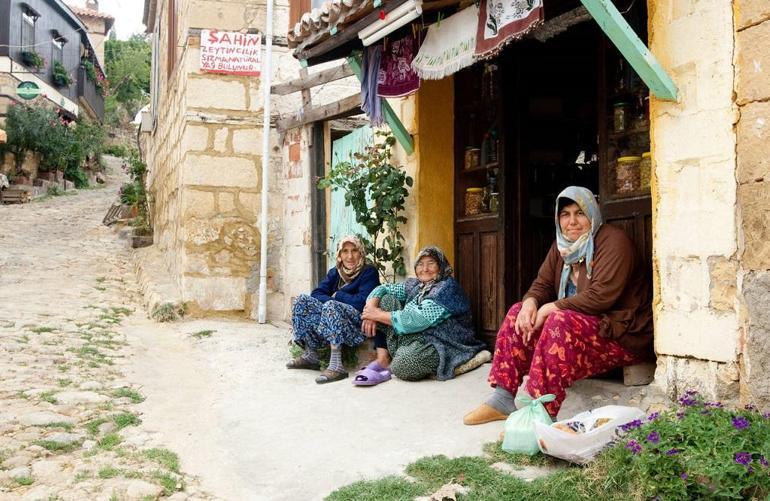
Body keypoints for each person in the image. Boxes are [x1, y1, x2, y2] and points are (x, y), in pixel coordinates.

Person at [463, 186, 653, 424]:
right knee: (517, 313)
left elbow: (601, 296)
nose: (572, 221)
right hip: (585, 333)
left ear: (592, 214)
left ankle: (539, 413)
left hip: (621, 335)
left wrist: (551, 307)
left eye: (579, 213)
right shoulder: (562, 247)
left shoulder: (613, 241)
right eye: (565, 214)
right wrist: (531, 302)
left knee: (559, 320)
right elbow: (541, 284)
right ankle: (502, 398)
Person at [361, 246, 486, 382]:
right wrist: (371, 310)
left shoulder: (446, 288)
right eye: (420, 264)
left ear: (441, 266)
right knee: (384, 299)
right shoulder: (417, 285)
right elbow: (383, 288)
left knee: (403, 365)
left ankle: (403, 358)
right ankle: (384, 359)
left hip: (442, 342)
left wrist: (376, 315)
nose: (424, 269)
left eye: (431, 263)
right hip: (418, 335)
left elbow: (416, 319)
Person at [286, 236, 384, 384]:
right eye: (345, 251)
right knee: (302, 301)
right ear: (339, 254)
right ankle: (312, 355)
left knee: (331, 306)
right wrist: (333, 301)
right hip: (332, 318)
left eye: (354, 250)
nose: (350, 256)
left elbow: (362, 302)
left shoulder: (369, 272)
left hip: (356, 324)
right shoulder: (335, 273)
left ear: (361, 253)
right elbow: (316, 294)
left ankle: (337, 366)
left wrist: (338, 295)